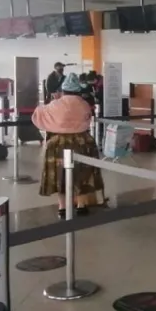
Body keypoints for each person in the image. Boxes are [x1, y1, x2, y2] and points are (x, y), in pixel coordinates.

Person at [32, 73, 105, 218]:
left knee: (60, 175)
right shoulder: (84, 104)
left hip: (58, 144)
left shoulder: (55, 104)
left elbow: (38, 114)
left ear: (63, 91)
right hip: (83, 143)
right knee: (83, 174)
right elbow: (87, 120)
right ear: (78, 90)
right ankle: (81, 205)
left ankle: (62, 207)